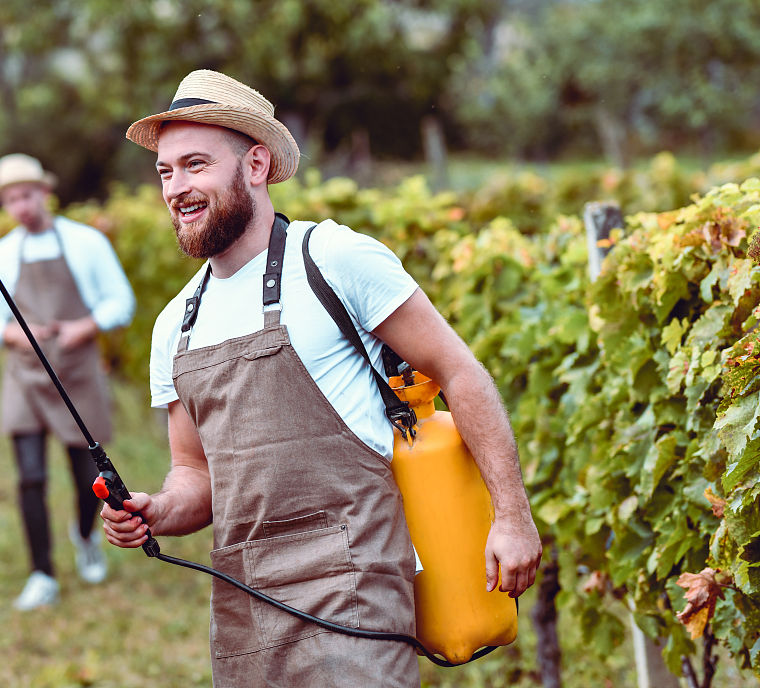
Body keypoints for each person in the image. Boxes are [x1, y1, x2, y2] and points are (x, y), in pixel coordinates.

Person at [101, 70, 542, 686]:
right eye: (166, 172)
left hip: (354, 581)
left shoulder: (333, 259)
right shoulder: (174, 324)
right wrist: (156, 510)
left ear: (255, 163)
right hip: (243, 597)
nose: (176, 188)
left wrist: (511, 515)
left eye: (195, 164)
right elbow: (196, 475)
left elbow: (459, 372)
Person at [0, 153, 135, 611]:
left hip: (78, 373)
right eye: (10, 199)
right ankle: (42, 573)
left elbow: (120, 301)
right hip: (25, 377)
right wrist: (10, 334)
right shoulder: (2, 254)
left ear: (45, 193)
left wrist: (85, 326)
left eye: (26, 195)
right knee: (30, 476)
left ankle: (85, 535)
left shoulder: (86, 244)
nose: (20, 206)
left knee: (91, 476)